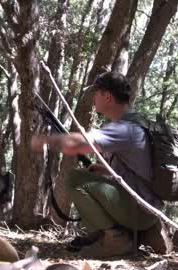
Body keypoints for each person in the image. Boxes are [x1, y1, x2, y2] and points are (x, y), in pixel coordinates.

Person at [31, 71, 170, 258]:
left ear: (107, 96)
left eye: (96, 93)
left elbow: (77, 145)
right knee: (91, 177)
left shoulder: (124, 129)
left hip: (139, 210)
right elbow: (140, 168)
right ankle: (146, 233)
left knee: (76, 178)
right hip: (149, 208)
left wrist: (45, 140)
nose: (94, 98)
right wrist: (106, 170)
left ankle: (116, 241)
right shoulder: (139, 122)